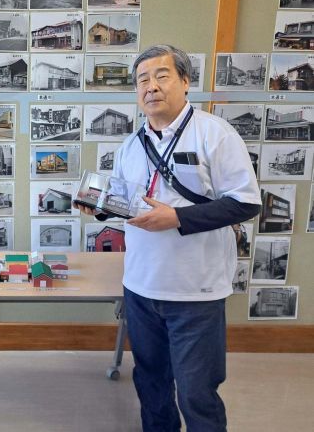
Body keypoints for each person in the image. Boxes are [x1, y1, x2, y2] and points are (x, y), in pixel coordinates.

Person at [75, 45, 261, 431]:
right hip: (142, 286)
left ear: (185, 82)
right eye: (143, 79)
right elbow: (129, 206)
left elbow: (245, 204)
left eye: (162, 76)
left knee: (197, 392)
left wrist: (177, 217)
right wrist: (101, 208)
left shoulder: (215, 134)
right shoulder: (130, 145)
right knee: (151, 384)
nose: (151, 87)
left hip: (197, 291)